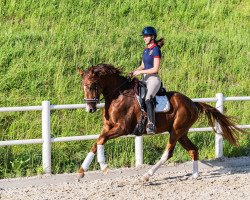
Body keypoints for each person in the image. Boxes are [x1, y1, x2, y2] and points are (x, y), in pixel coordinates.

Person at [132, 26, 164, 134]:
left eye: (146, 36)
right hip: (145, 78)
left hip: (153, 79)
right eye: (144, 36)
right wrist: (134, 71)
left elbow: (155, 69)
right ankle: (140, 120)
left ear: (153, 37)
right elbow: (143, 65)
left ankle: (151, 124)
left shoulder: (156, 50)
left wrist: (140, 72)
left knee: (148, 98)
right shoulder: (146, 50)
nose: (144, 38)